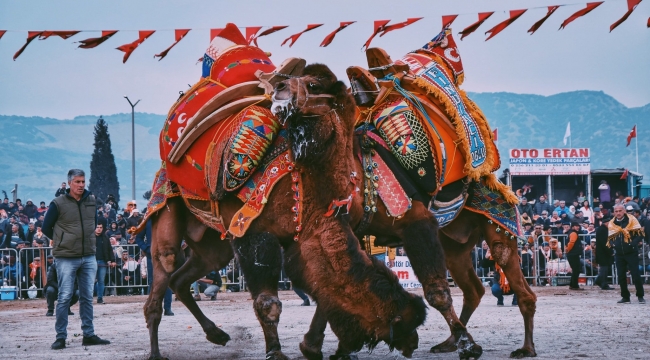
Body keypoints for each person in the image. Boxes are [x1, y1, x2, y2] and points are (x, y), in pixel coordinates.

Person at [42, 169, 110, 350]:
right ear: (69, 183)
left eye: (83, 181)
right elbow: (46, 227)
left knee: (87, 297)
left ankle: (88, 334)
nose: (81, 185)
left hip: (88, 255)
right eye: (77, 182)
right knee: (64, 297)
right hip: (65, 257)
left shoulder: (91, 201)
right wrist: (62, 240)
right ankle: (61, 337)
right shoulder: (57, 203)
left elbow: (94, 223)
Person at [135, 220, 173, 315]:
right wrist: (147, 248)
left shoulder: (166, 220)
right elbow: (138, 238)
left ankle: (167, 307)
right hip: (151, 255)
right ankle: (154, 307)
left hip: (166, 254)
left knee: (167, 281)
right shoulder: (147, 221)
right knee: (153, 281)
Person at [608, 204, 645, 304]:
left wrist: (632, 244)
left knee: (635, 274)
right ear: (614, 212)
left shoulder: (632, 220)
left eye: (620, 211)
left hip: (631, 252)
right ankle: (625, 296)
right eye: (616, 211)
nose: (618, 213)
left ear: (624, 211)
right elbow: (610, 237)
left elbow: (640, 234)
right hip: (619, 253)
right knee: (621, 276)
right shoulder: (612, 223)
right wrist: (613, 245)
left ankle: (640, 295)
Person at [94, 224, 113, 304]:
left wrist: (111, 260)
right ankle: (87, 299)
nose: (99, 229)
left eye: (101, 227)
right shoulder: (90, 237)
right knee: (90, 281)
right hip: (91, 261)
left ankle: (100, 298)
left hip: (102, 261)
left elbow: (109, 249)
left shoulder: (105, 238)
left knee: (101, 281)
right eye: (97, 227)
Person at [565, 222, 584, 290]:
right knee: (576, 270)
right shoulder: (573, 233)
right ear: (572, 227)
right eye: (576, 226)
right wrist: (568, 250)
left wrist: (567, 250)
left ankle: (572, 284)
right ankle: (574, 285)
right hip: (573, 254)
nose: (578, 227)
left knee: (575, 269)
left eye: (578, 226)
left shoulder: (571, 232)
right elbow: (571, 242)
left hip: (572, 254)